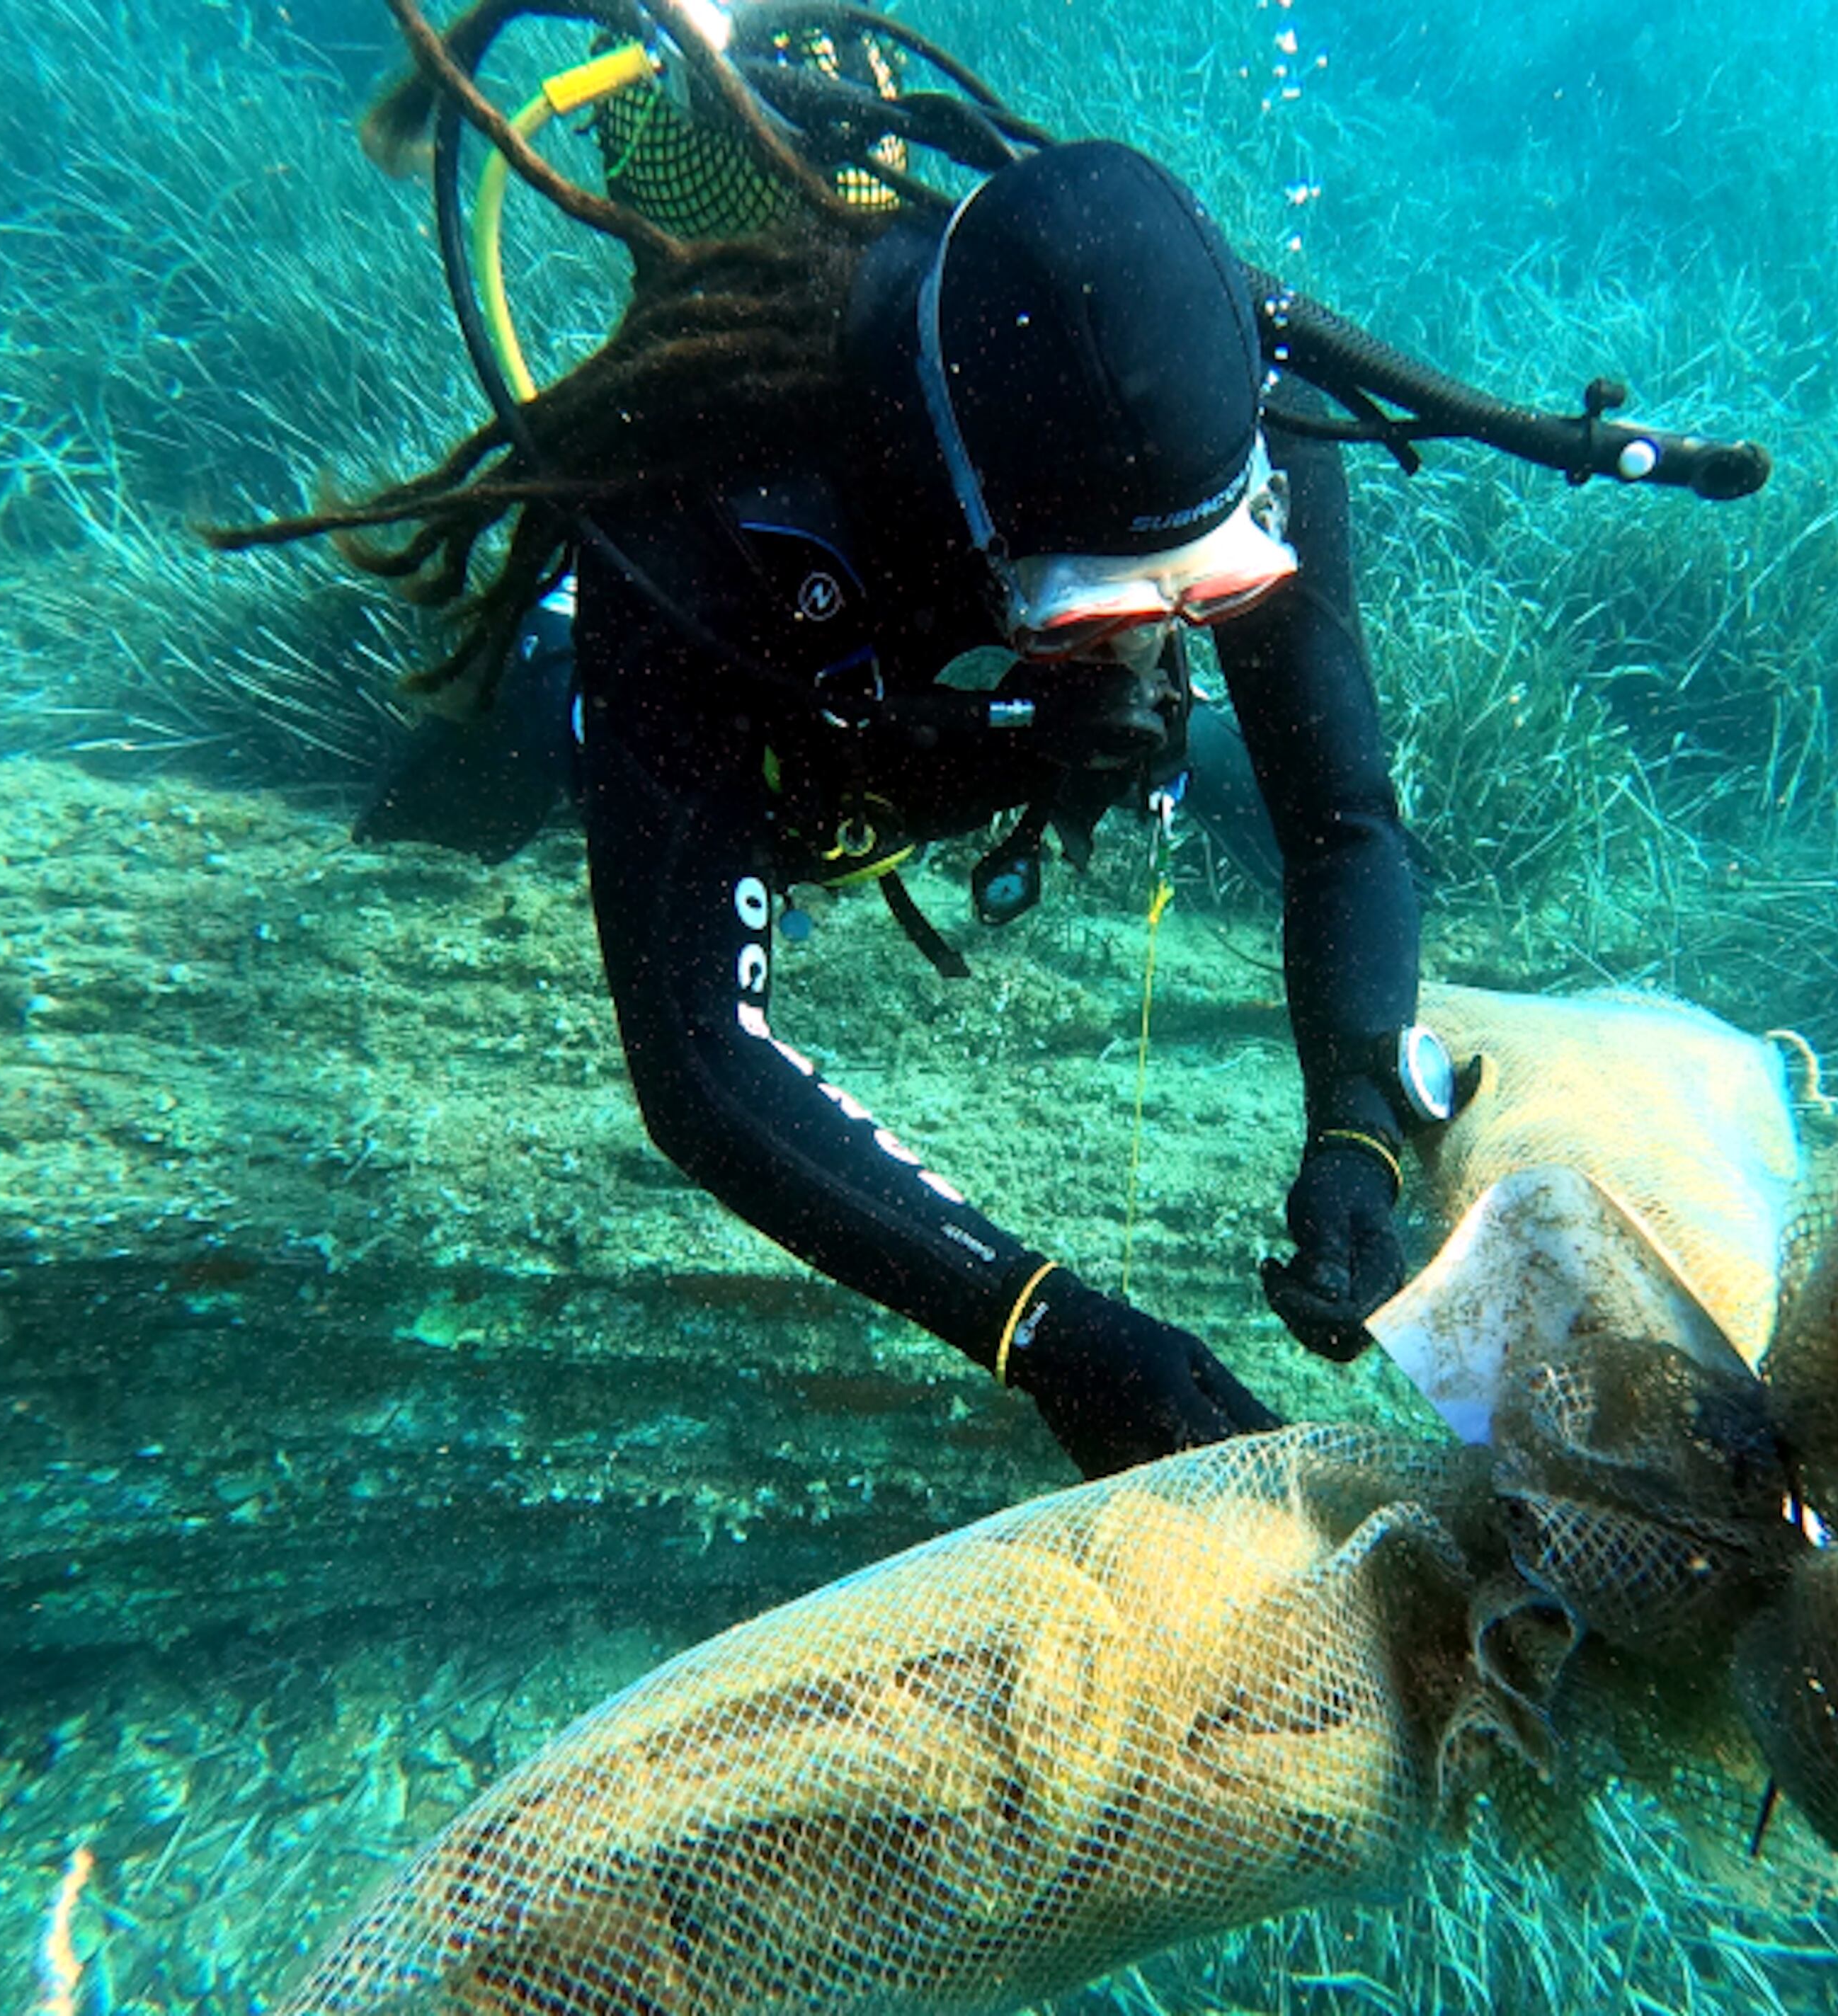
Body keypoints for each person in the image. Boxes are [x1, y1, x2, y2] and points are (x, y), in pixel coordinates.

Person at [224, 134, 1463, 1479]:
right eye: (1095, 611)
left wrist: (1358, 1133)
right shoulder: (708, 521)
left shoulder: (1245, 421)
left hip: (983, 714)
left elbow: (1344, 819)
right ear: (976, 516)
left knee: (1180, 739)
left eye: (1215, 594)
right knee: (533, 746)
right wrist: (1044, 1330)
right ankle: (529, 687)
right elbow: (699, 1062)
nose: (1154, 642)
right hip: (790, 721)